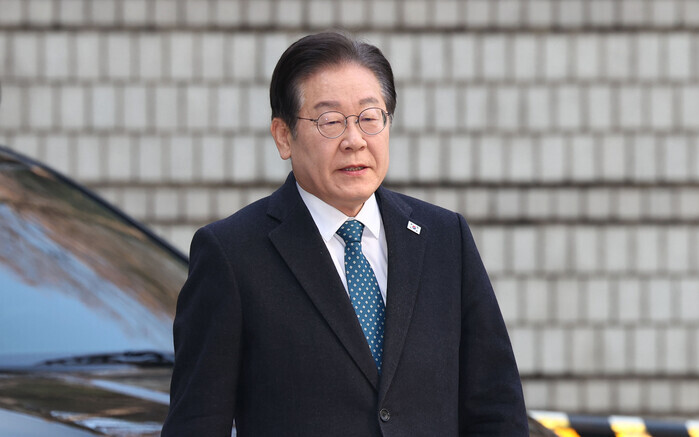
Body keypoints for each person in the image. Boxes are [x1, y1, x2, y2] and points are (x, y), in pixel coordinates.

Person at [162, 31, 528, 436]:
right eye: (331, 122)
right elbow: (197, 423)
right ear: (283, 136)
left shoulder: (444, 237)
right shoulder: (232, 253)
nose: (355, 141)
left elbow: (496, 407)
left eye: (369, 118)